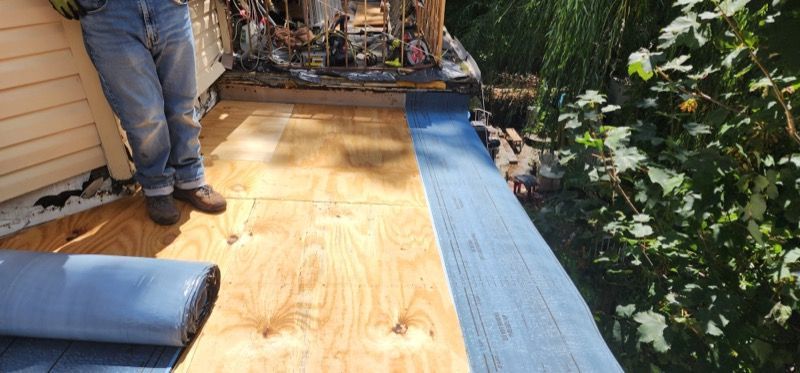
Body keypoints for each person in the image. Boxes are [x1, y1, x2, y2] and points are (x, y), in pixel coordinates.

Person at [48, 0, 227, 225]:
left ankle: (190, 178)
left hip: (168, 6)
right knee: (143, 114)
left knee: (182, 101)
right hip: (108, 13)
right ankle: (157, 188)